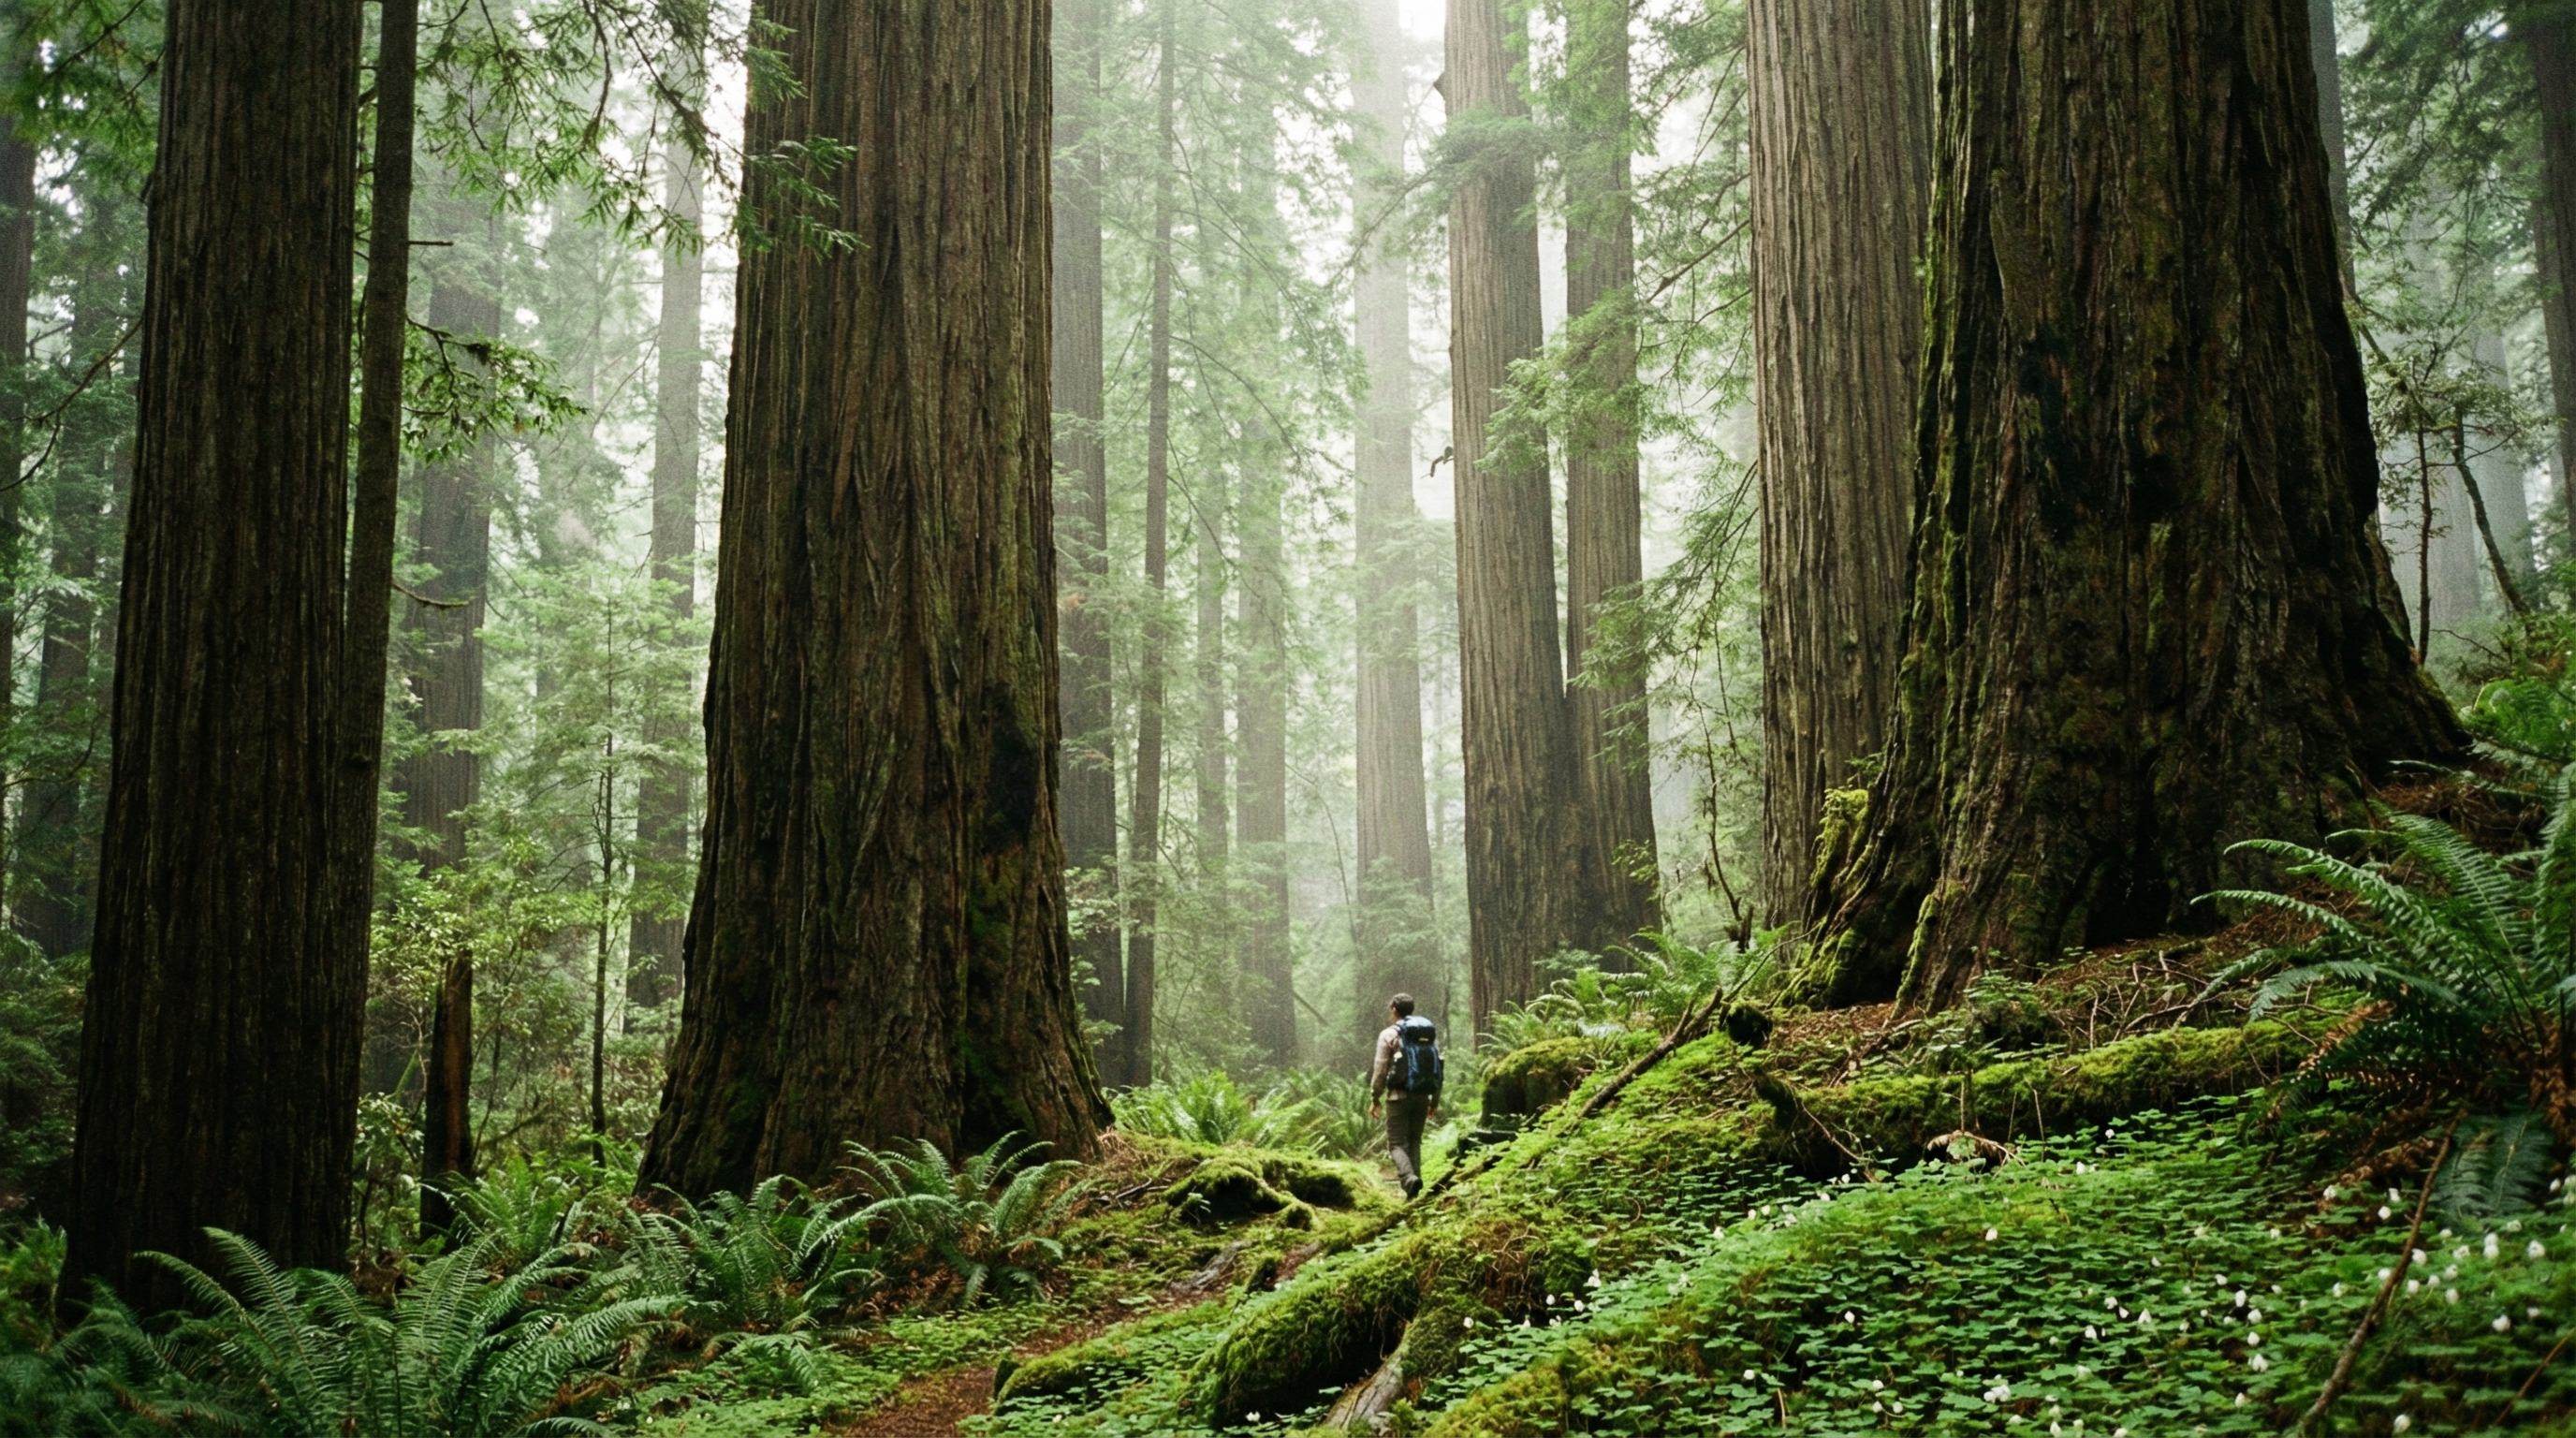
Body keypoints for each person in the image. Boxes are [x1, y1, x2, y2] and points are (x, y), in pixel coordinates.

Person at [1368, 992, 1439, 1198]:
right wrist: (1435, 1100)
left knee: (1397, 1144)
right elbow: (1435, 1067)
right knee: (1414, 1140)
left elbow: (1380, 1070)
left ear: (1394, 1011)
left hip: (1398, 1097)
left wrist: (1375, 1098)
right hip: (1423, 1094)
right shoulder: (1425, 1032)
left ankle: (1408, 1179)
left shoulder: (1388, 1035)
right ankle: (1414, 1193)